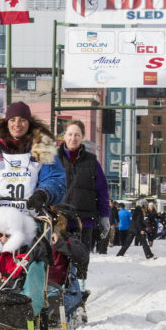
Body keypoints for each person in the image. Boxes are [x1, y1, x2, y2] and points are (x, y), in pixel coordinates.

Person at [0, 101, 66, 213]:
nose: (17, 124)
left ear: (29, 123)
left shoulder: (43, 149)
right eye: (13, 120)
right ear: (7, 123)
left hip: (33, 217)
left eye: (22, 120)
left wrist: (43, 194)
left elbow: (54, 179)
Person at [57, 120, 110, 282]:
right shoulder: (53, 159)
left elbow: (102, 190)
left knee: (81, 260)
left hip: (84, 221)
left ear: (82, 138)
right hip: (58, 220)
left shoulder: (92, 161)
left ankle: (78, 294)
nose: (73, 138)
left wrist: (104, 216)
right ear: (64, 136)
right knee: (58, 260)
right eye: (70, 134)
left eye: (77, 135)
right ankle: (58, 295)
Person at [0, 206, 38, 283]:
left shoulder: (21, 253)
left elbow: (19, 267)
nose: (3, 240)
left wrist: (7, 278)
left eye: (8, 235)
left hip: (11, 288)